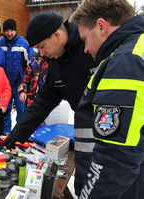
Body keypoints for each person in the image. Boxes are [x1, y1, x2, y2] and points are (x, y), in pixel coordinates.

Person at [0, 12, 97, 196]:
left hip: (114, 131)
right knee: (84, 184)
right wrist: (17, 134)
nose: (41, 54)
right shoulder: (54, 62)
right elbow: (42, 102)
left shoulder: (90, 44)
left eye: (42, 46)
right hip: (85, 129)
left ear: (57, 35)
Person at [70, 0, 144, 198]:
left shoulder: (125, 61)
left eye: (85, 39)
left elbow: (115, 157)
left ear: (101, 26)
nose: (85, 48)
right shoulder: (137, 48)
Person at [0, 18, 34, 134]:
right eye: (7, 30)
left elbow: (32, 64)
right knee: (5, 110)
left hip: (19, 84)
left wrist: (28, 83)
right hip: (4, 84)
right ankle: (6, 134)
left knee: (21, 110)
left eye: (11, 30)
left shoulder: (24, 43)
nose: (9, 33)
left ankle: (20, 133)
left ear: (16, 30)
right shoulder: (0, 43)